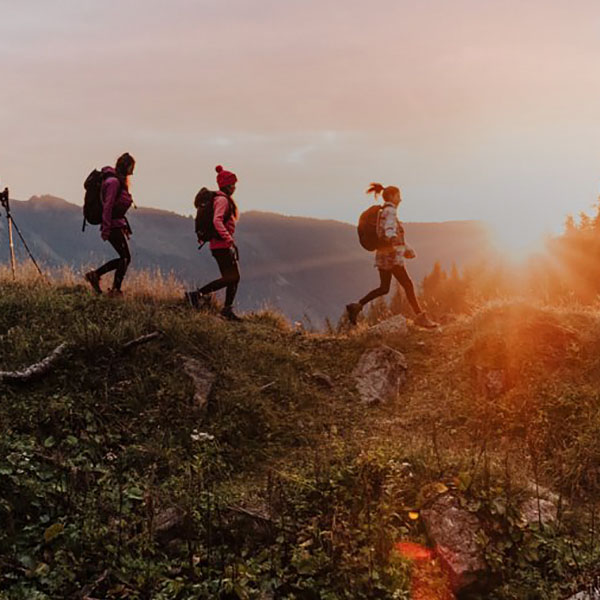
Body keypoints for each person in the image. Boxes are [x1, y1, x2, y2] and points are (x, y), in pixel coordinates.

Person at [346, 183, 437, 328]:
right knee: (408, 284)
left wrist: (406, 248)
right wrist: (400, 249)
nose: (400, 199)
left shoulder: (384, 211)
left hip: (383, 255)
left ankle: (356, 306)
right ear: (391, 197)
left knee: (384, 288)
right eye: (398, 196)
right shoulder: (390, 212)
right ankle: (420, 317)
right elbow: (389, 232)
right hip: (391, 257)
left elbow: (391, 232)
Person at [187, 165, 242, 321]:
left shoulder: (220, 199)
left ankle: (226, 309)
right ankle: (196, 295)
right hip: (221, 245)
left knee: (232, 277)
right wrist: (229, 239)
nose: (234, 188)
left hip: (220, 244)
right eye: (233, 184)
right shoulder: (222, 200)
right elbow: (217, 220)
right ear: (226, 185)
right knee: (231, 277)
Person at [84, 152, 135, 296]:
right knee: (125, 257)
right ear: (126, 167)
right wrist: (106, 229)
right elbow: (108, 206)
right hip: (111, 226)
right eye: (132, 167)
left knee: (124, 258)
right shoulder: (113, 183)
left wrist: (124, 225)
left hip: (115, 224)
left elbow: (116, 209)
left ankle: (97, 276)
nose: (133, 172)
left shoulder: (118, 181)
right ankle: (114, 289)